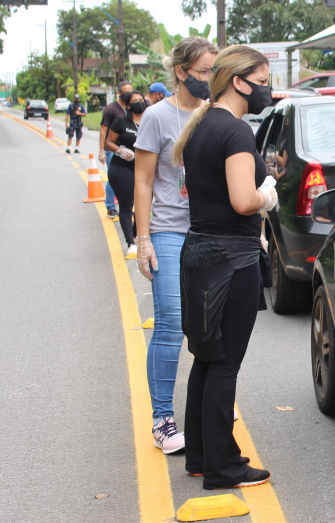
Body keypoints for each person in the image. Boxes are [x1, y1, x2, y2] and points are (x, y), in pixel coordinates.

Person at [170, 44, 277, 490]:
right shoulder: (234, 133)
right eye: (263, 83)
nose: (267, 93)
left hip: (199, 253)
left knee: (206, 359)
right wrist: (267, 190)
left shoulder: (201, 125)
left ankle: (200, 456)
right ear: (239, 82)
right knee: (225, 365)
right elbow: (242, 199)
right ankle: (222, 467)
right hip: (231, 259)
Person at [133, 36, 219, 456]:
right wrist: (143, 239)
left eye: (212, 72)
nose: (209, 80)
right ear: (181, 71)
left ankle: (209, 401)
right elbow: (144, 181)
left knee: (211, 323)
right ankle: (163, 419)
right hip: (168, 231)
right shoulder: (156, 116)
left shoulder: (212, 115)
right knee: (170, 323)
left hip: (207, 231)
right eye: (203, 72)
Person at [105, 92, 146, 258]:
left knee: (144, 203)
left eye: (140, 100)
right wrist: (120, 150)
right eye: (134, 101)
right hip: (122, 167)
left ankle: (138, 235)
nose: (138, 103)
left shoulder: (151, 120)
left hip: (144, 168)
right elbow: (109, 142)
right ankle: (131, 243)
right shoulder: (122, 122)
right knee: (127, 203)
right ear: (128, 106)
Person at [99, 81, 133, 219]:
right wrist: (102, 150)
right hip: (113, 149)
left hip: (129, 151)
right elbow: (103, 130)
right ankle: (111, 206)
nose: (128, 94)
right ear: (119, 93)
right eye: (125, 92)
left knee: (130, 178)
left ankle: (127, 205)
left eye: (130, 91)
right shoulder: (111, 109)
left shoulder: (131, 108)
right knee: (114, 178)